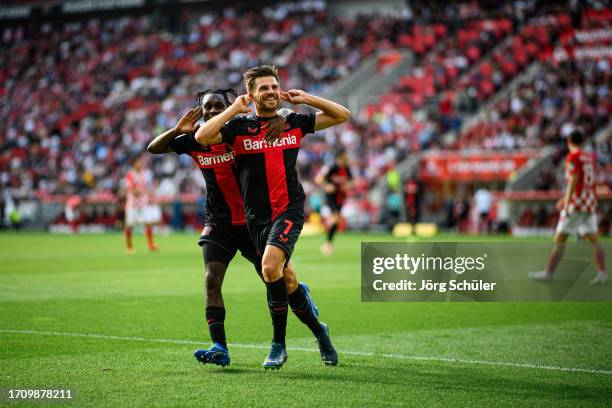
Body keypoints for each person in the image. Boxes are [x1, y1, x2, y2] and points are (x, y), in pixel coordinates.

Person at [148, 88, 329, 368]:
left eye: (217, 105)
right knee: (211, 279)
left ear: (229, 106)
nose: (211, 111)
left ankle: (318, 330)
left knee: (285, 283)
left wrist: (281, 114)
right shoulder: (197, 140)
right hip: (218, 222)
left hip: (253, 221)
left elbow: (272, 116)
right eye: (207, 107)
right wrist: (176, 129)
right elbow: (154, 148)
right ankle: (219, 345)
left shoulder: (236, 132)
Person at [195, 65, 350, 369]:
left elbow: (342, 114)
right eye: (262, 88)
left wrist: (307, 98)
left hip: (289, 209)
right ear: (251, 94)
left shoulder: (292, 122)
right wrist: (234, 111)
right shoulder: (237, 128)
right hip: (257, 217)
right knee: (287, 281)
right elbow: (202, 136)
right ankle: (320, 331)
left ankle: (278, 344)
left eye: (273, 86)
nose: (269, 92)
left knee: (269, 267)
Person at [530, 131, 607, 285]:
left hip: (576, 204)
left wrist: (566, 201)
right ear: (583, 141)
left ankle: (549, 273)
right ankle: (602, 273)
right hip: (589, 202)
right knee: (593, 239)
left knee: (560, 238)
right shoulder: (590, 157)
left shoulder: (573, 157)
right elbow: (589, 181)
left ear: (569, 141)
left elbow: (574, 179)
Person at [315, 149, 353, 256]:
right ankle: (327, 244)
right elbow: (318, 179)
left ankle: (328, 242)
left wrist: (347, 186)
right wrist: (326, 186)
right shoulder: (331, 167)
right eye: (345, 156)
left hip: (341, 197)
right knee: (336, 218)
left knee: (336, 220)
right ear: (340, 157)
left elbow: (351, 182)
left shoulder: (347, 169)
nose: (347, 158)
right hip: (331, 197)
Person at [123, 157, 158, 253]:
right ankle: (129, 246)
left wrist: (149, 193)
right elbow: (133, 191)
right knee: (129, 225)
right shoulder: (130, 175)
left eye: (140, 162)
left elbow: (145, 188)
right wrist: (145, 192)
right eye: (138, 162)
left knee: (148, 223)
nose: (140, 164)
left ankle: (150, 245)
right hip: (132, 204)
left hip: (143, 203)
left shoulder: (144, 174)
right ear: (134, 164)